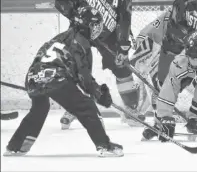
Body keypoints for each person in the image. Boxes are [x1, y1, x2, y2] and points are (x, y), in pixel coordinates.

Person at [3, 12, 123, 157]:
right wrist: (99, 94)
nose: (98, 29)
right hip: (54, 77)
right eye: (95, 25)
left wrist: (96, 91)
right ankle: (104, 146)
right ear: (85, 26)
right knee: (86, 106)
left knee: (39, 109)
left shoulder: (62, 37)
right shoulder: (81, 42)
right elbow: (84, 78)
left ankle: (15, 146)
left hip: (32, 77)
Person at [54, 0, 144, 128]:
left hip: (109, 36)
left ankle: (131, 110)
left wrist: (123, 47)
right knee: (78, 68)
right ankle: (74, 108)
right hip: (82, 32)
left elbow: (124, 20)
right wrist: (77, 16)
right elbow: (60, 1)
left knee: (123, 69)